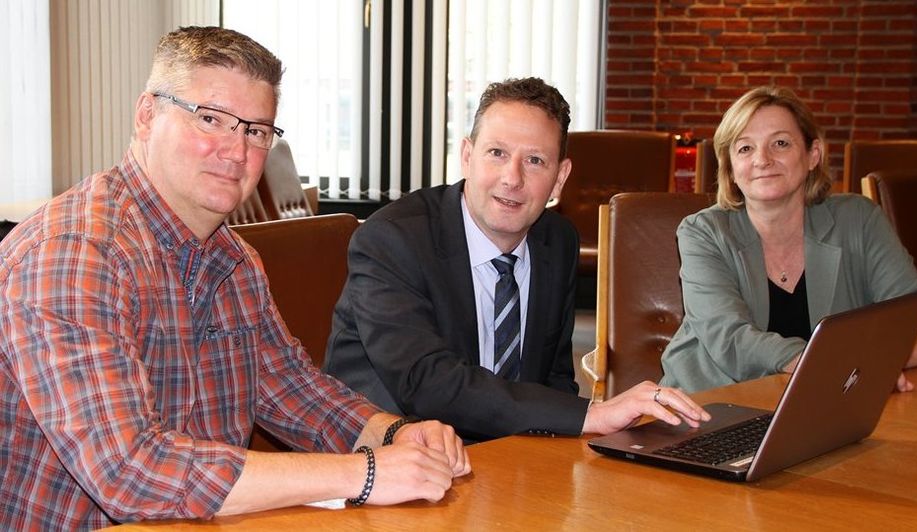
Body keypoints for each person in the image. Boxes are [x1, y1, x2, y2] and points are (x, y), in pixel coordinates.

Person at [0, 26, 469, 530]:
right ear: (146, 116)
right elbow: (130, 475)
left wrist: (391, 432)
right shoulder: (75, 253)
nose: (236, 150)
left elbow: (290, 388)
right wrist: (367, 473)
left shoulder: (236, 260)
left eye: (256, 130)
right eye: (211, 119)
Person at [324, 77, 709, 443]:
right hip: (390, 457)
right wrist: (590, 415)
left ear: (560, 178)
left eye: (536, 161)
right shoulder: (392, 240)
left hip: (506, 460)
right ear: (467, 156)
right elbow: (428, 383)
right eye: (497, 153)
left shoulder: (556, 242)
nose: (512, 178)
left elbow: (554, 378)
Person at [660, 86, 917, 393]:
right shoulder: (703, 232)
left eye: (780, 143)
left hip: (824, 408)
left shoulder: (859, 219)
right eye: (745, 148)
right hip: (708, 408)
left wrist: (866, 366)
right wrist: (836, 366)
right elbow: (729, 337)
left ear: (813, 154)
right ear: (730, 169)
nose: (762, 159)